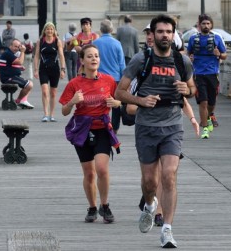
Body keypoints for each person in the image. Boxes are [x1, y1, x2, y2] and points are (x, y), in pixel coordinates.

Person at [115, 14, 196, 249]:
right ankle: (150, 205)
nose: (164, 35)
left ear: (174, 34)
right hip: (146, 127)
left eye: (168, 32)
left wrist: (187, 90)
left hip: (172, 126)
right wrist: (141, 100)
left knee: (169, 175)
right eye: (160, 31)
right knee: (150, 181)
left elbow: (192, 89)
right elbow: (120, 93)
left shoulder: (183, 62)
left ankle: (167, 230)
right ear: (153, 34)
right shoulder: (141, 60)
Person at [59, 44, 121, 224]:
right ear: (82, 61)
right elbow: (64, 111)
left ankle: (105, 205)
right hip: (82, 131)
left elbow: (120, 100)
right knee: (89, 174)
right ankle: (92, 207)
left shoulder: (108, 80)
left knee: (101, 168)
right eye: (90, 56)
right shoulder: (75, 83)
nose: (94, 59)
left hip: (102, 128)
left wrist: (116, 103)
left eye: (96, 56)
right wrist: (72, 101)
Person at [186, 14, 227, 139]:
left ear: (211, 25)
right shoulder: (193, 38)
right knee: (202, 102)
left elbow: (225, 55)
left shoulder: (217, 38)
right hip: (198, 74)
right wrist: (190, 57)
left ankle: (209, 116)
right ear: (199, 25)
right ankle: (204, 129)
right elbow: (188, 53)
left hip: (212, 73)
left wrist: (219, 54)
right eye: (203, 23)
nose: (206, 26)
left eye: (208, 24)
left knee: (211, 102)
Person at [93, 19, 125, 133]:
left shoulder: (95, 43)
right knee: (115, 104)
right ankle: (115, 127)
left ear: (101, 30)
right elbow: (121, 63)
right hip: (115, 78)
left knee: (99, 103)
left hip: (99, 78)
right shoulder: (117, 43)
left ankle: (100, 124)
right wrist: (123, 80)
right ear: (111, 30)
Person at [33, 22, 66, 122]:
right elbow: (37, 55)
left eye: (51, 29)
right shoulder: (40, 41)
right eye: (48, 29)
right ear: (45, 30)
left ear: (54, 30)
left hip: (55, 69)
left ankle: (52, 114)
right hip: (43, 69)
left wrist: (63, 69)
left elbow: (61, 55)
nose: (49, 31)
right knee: (44, 91)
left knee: (53, 93)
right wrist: (35, 69)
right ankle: (45, 114)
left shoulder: (57, 41)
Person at [0, 38, 34, 109]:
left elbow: (10, 64)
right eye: (15, 46)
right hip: (8, 77)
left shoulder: (10, 53)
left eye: (18, 47)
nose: (17, 48)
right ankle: (18, 101)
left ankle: (23, 100)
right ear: (10, 46)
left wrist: (19, 67)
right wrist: (23, 52)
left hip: (10, 76)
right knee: (29, 85)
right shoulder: (8, 53)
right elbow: (20, 61)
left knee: (29, 83)